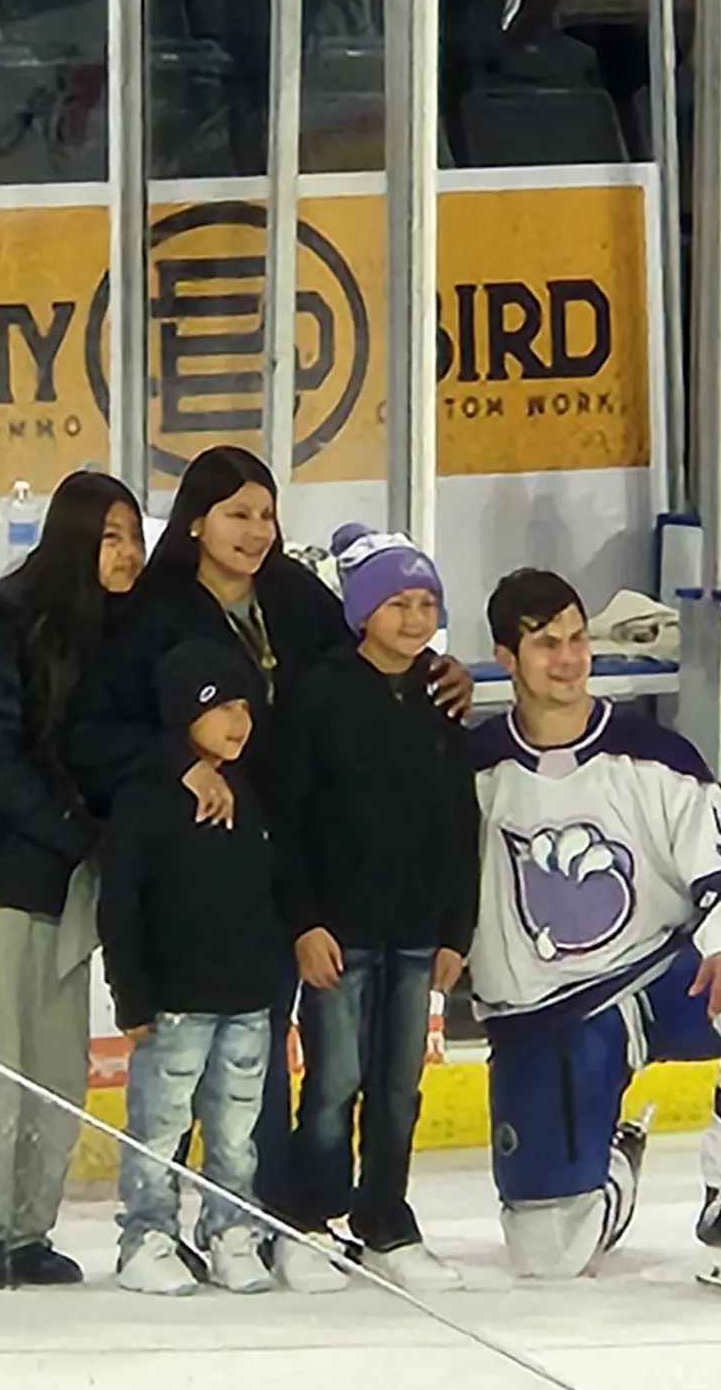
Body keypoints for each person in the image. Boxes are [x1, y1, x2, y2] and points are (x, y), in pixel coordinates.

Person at [66, 445, 474, 1212]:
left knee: (267, 1052)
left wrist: (435, 673)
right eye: (237, 515)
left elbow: (365, 663)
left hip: (295, 846)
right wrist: (174, 764)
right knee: (191, 1055)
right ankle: (160, 1221)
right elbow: (95, 729)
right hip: (197, 863)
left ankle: (272, 1214)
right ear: (195, 522)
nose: (256, 531)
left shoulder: (295, 595)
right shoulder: (148, 614)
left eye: (265, 514)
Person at [467, 569, 721, 1295]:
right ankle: (616, 1156)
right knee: (548, 1256)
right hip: (547, 1019)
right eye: (545, 644)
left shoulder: (656, 757)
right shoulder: (472, 769)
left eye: (575, 640)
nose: (568, 659)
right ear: (506, 657)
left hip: (657, 978)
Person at [0, 472, 146, 1289]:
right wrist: (75, 834)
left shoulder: (123, 633)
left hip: (72, 880)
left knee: (56, 1065)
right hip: (2, 875)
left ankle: (26, 1226)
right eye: (110, 535)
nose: (125, 552)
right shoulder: (7, 621)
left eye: (133, 536)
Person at [272, 531, 481, 1294]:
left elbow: (461, 822)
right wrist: (304, 922)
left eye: (426, 604)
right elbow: (289, 820)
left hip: (416, 931)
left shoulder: (438, 696)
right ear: (362, 611)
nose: (414, 617)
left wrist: (455, 929)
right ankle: (310, 1218)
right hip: (341, 932)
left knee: (398, 1087)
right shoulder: (320, 694)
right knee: (332, 1084)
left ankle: (385, 1220)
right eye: (398, 603)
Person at [98, 641, 284, 1298]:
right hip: (176, 1001)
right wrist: (133, 996)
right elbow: (120, 905)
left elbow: (267, 893)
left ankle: (231, 1230)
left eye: (245, 705)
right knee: (160, 1126)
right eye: (220, 705)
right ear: (183, 712)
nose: (239, 719)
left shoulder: (250, 794)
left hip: (246, 1000)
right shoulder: (146, 799)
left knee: (237, 1132)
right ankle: (147, 1236)